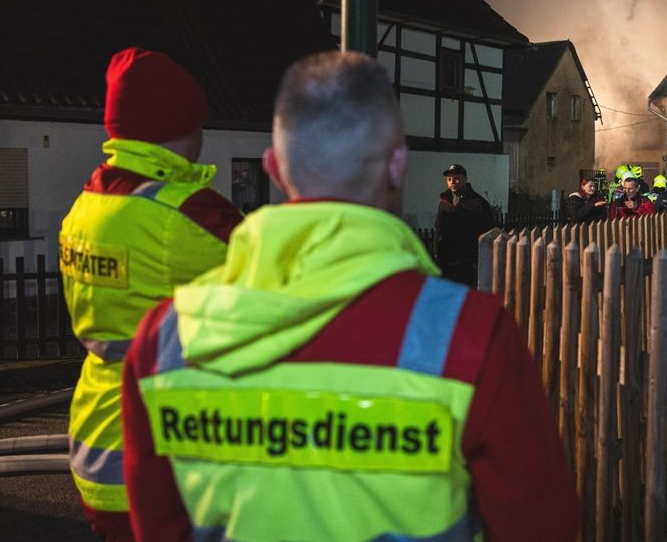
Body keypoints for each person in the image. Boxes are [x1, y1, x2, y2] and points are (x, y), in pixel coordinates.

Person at [121, 51, 578, 542]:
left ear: (274, 169)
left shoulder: (164, 337)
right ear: (398, 166)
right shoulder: (472, 336)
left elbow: (157, 526)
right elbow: (540, 525)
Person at [59, 47, 243, 540]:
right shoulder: (189, 217)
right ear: (184, 129)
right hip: (163, 455)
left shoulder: (88, 204)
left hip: (95, 436)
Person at [435, 164, 495, 287]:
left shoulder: (478, 204)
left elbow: (487, 234)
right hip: (445, 262)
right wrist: (437, 253)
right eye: (449, 179)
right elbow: (438, 229)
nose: (452, 182)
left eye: (456, 178)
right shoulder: (444, 202)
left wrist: (476, 261)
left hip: (466, 264)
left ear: (465, 179)